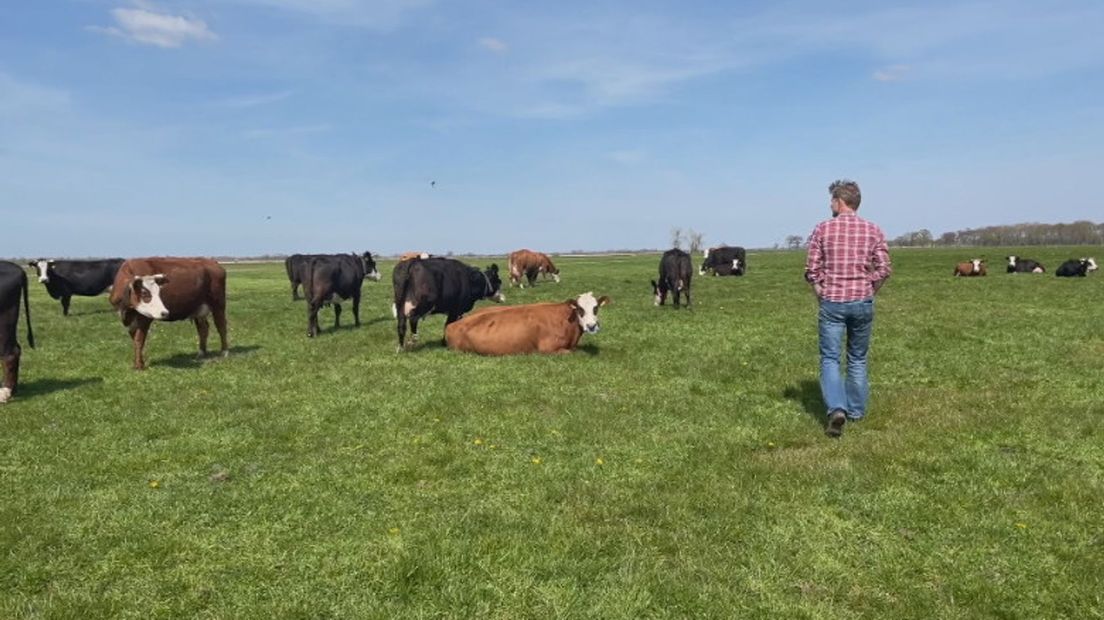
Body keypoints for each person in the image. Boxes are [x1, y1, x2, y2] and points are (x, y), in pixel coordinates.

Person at [804, 180, 891, 437]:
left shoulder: (823, 229)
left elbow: (811, 269)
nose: (830, 204)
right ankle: (856, 411)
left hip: (832, 301)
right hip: (862, 301)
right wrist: (870, 290)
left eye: (832, 200)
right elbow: (885, 268)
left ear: (839, 201)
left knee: (830, 358)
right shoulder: (873, 230)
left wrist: (820, 290)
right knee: (857, 357)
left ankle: (836, 408)